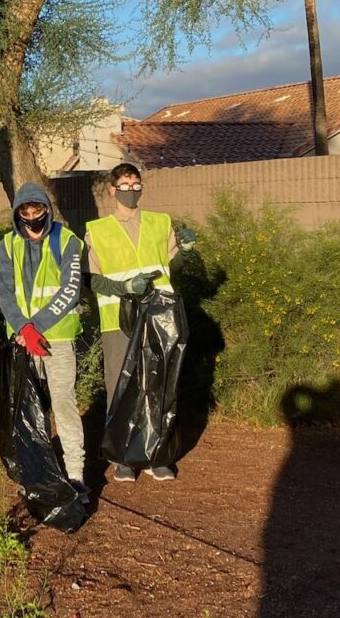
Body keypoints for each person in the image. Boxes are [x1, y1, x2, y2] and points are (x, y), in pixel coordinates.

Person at [85, 163, 196, 482]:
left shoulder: (161, 224)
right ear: (112, 190)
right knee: (120, 386)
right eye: (124, 184)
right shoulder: (97, 231)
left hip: (159, 317)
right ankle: (123, 458)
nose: (131, 190)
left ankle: (157, 455)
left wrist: (187, 250)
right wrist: (123, 288)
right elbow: (90, 280)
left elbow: (174, 264)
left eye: (136, 184)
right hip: (117, 319)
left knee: (158, 385)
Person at [0, 182, 89, 502]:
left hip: (57, 339)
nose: (32, 216)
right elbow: (6, 294)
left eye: (38, 210)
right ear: (18, 213)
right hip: (23, 343)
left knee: (63, 404)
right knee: (30, 412)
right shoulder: (8, 246)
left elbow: (70, 289)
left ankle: (75, 475)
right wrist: (25, 329)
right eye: (26, 211)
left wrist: (38, 326)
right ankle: (36, 474)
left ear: (47, 210)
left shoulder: (67, 241)